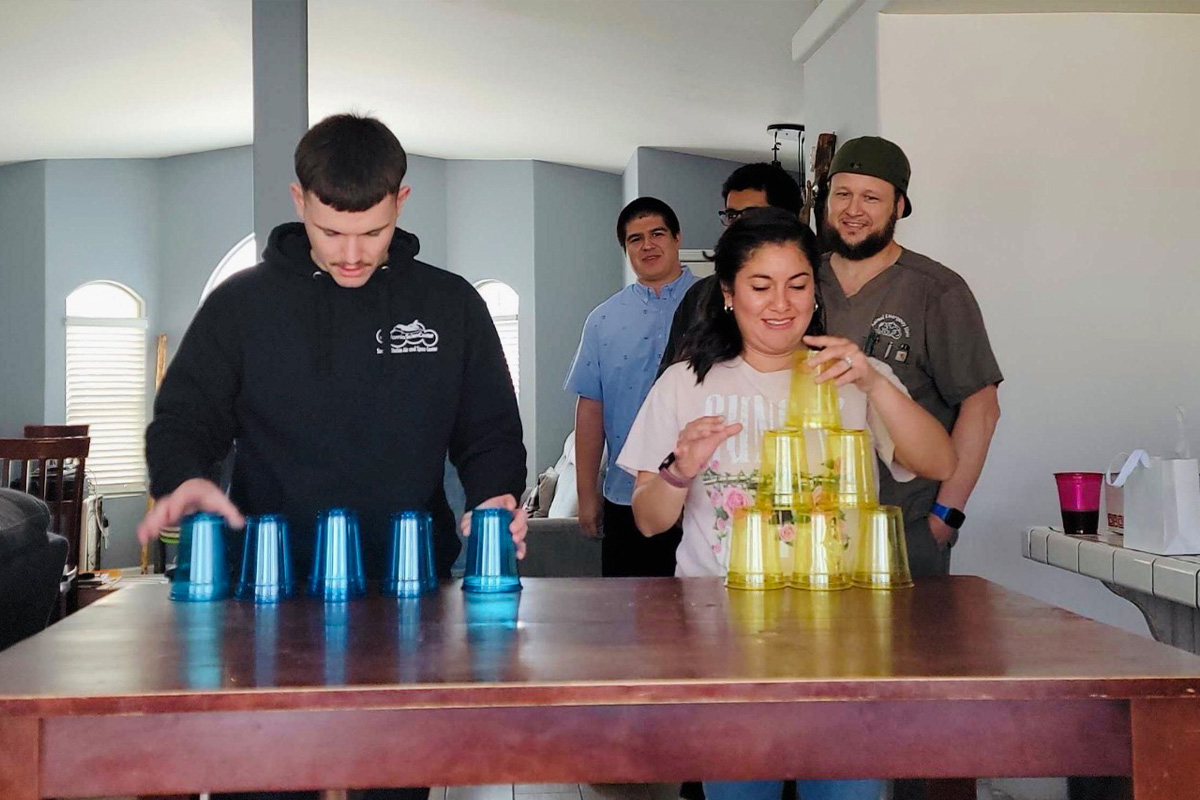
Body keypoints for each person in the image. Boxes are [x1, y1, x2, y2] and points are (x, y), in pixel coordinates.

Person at [138, 113, 528, 800]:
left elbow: (490, 431)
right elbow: (183, 420)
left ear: (401, 204)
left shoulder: (450, 304)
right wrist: (187, 479)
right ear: (299, 202)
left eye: (372, 233)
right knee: (262, 780)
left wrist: (496, 493)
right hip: (265, 594)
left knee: (392, 781)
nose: (351, 254)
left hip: (407, 592)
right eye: (331, 233)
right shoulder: (240, 306)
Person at [617, 207, 955, 800]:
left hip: (843, 642)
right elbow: (647, 520)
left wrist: (874, 381)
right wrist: (679, 471)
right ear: (728, 294)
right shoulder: (685, 384)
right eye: (760, 285)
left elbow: (939, 463)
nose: (782, 303)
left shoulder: (850, 374)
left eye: (798, 285)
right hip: (723, 643)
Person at [818, 136, 1002, 579]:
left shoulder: (936, 291)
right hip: (812, 527)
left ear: (898, 206)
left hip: (905, 525)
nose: (853, 209)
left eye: (871, 197)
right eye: (842, 193)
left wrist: (944, 518)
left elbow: (982, 408)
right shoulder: (802, 282)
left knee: (909, 649)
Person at [563, 197, 699, 576]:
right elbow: (590, 410)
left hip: (704, 498)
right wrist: (586, 495)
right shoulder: (603, 320)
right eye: (634, 239)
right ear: (626, 250)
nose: (647, 245)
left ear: (676, 238)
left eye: (657, 234)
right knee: (628, 624)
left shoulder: (717, 306)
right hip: (626, 498)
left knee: (705, 623)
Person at [658, 163, 803, 375]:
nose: (737, 225)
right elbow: (669, 379)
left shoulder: (810, 292)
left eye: (750, 214)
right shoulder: (700, 296)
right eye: (732, 215)